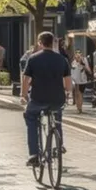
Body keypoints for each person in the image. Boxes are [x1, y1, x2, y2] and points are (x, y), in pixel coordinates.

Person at [21, 32, 72, 167]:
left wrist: (24, 95)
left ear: (40, 43)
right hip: (57, 99)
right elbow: (68, 85)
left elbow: (25, 80)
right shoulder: (62, 60)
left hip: (38, 99)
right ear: (53, 43)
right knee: (57, 118)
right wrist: (66, 92)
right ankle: (58, 146)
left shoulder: (33, 59)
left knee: (30, 117)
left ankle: (34, 154)